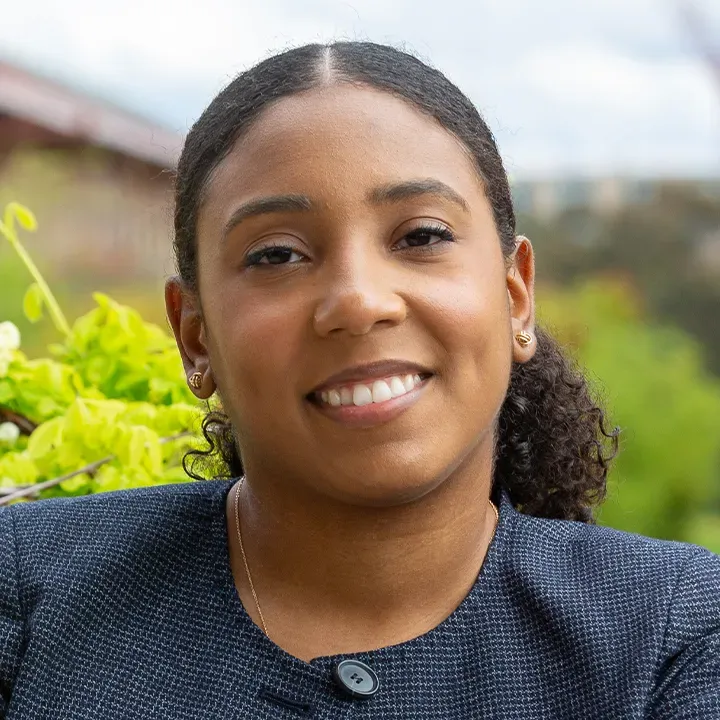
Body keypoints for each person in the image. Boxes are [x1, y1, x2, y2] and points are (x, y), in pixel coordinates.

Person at [1, 41, 718, 719]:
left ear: (516, 297)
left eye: (422, 236)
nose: (358, 300)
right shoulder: (27, 590)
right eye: (277, 254)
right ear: (196, 336)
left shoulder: (672, 636)